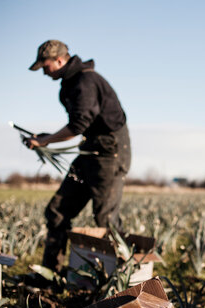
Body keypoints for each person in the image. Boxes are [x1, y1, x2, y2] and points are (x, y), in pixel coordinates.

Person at [26, 40, 131, 273]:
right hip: (89, 151)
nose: (44, 73)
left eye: (45, 67)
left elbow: (78, 124)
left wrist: (46, 140)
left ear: (59, 60)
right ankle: (50, 275)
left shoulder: (86, 82)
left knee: (105, 218)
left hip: (110, 152)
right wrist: (44, 137)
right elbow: (80, 126)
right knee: (57, 212)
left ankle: (126, 280)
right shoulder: (70, 84)